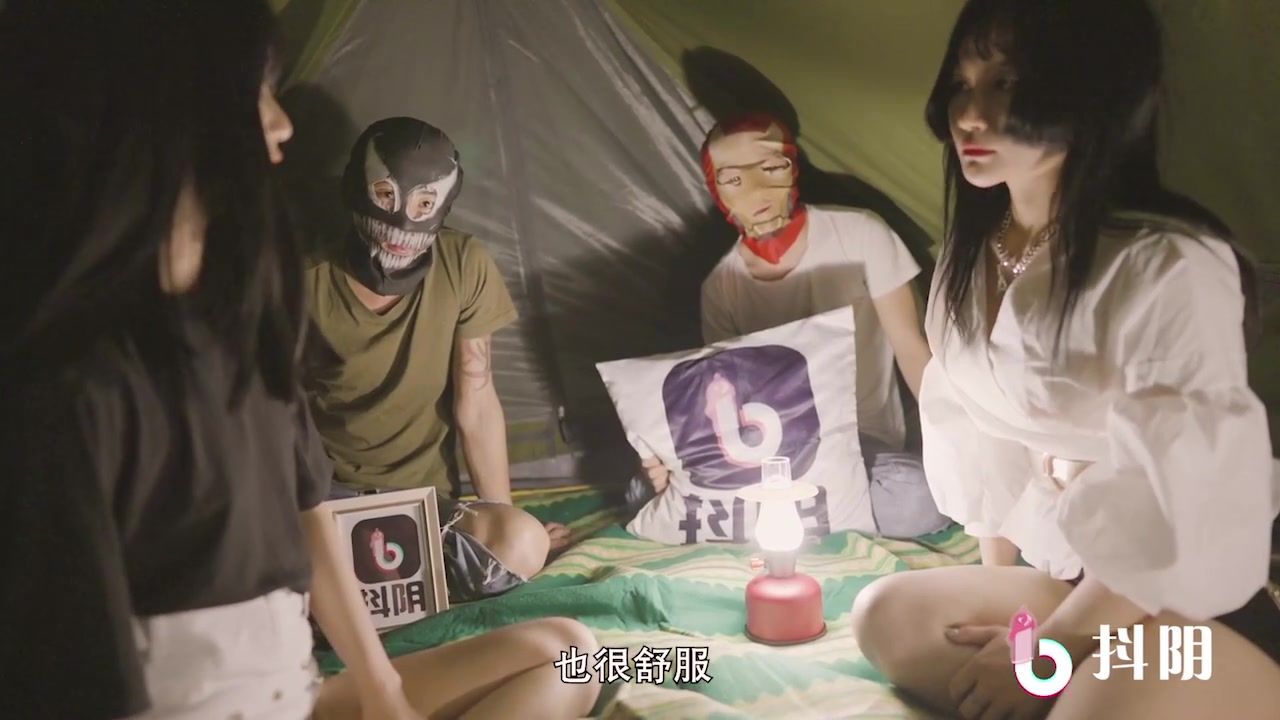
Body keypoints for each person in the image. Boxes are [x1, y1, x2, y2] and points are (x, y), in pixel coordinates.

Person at [0, 4, 600, 719]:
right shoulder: (72, 386)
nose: (281, 124)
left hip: (296, 688)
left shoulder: (244, 326)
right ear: (163, 111)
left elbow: (312, 517)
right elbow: (70, 667)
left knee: (577, 651)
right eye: (256, 92)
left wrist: (385, 696)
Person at [850, 1, 1280, 718]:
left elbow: (1187, 504)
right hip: (1070, 583)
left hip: (1186, 609)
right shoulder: (970, 253)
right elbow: (973, 432)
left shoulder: (1168, 263)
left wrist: (1044, 651)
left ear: (1091, 91)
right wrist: (1004, 607)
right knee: (887, 618)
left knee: (1096, 702)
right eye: (961, 85)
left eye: (1006, 84)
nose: (969, 115)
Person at [634, 112, 948, 539]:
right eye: (733, 179)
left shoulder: (861, 234)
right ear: (715, 187)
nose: (756, 191)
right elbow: (727, 396)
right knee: (644, 489)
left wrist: (952, 443)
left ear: (791, 166)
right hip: (770, 452)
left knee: (917, 499)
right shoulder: (721, 286)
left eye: (769, 169)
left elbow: (912, 349)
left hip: (861, 443)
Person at [302, 116, 568, 602]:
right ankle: (356, 595)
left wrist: (502, 517)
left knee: (523, 542)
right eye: (386, 195)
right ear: (358, 189)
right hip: (326, 501)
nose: (403, 222)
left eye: (424, 203)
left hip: (426, 508)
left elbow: (477, 400)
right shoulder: (303, 278)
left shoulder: (463, 262)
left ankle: (361, 597)